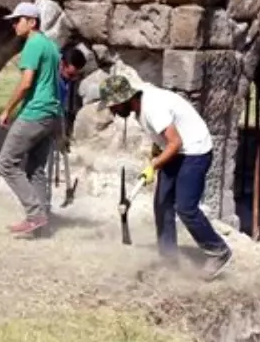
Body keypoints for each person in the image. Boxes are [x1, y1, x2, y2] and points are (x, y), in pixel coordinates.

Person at [97, 74, 233, 280]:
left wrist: (154, 165)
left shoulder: (153, 108)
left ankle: (218, 250)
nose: (113, 111)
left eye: (114, 106)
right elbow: (162, 139)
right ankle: (169, 259)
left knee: (185, 208)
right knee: (162, 204)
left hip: (194, 150)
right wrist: (155, 156)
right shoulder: (140, 109)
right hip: (176, 150)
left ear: (125, 98)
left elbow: (175, 142)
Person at [0, 1, 62, 237]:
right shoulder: (51, 47)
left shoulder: (32, 45)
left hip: (35, 112)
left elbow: (26, 84)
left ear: (32, 22)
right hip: (52, 115)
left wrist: (6, 111)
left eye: (18, 20)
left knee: (6, 162)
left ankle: (35, 215)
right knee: (35, 168)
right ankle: (43, 221)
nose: (14, 24)